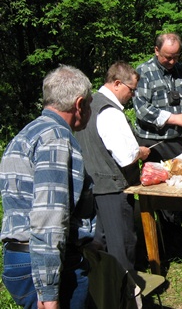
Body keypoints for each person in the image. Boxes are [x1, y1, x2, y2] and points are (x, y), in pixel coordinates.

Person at [0, 65, 96, 309]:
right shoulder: (56, 139)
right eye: (90, 103)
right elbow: (49, 218)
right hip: (48, 264)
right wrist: (49, 289)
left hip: (19, 259)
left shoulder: (25, 134)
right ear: (79, 104)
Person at [75, 61, 151, 284]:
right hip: (112, 189)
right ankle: (125, 295)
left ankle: (102, 291)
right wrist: (141, 152)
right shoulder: (109, 110)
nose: (133, 95)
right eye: (131, 89)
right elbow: (125, 156)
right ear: (117, 83)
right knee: (122, 247)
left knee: (100, 242)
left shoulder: (89, 105)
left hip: (92, 186)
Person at [133, 32, 182, 162]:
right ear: (157, 50)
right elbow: (142, 109)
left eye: (176, 57)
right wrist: (173, 118)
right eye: (168, 57)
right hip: (155, 142)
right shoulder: (144, 71)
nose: (172, 61)